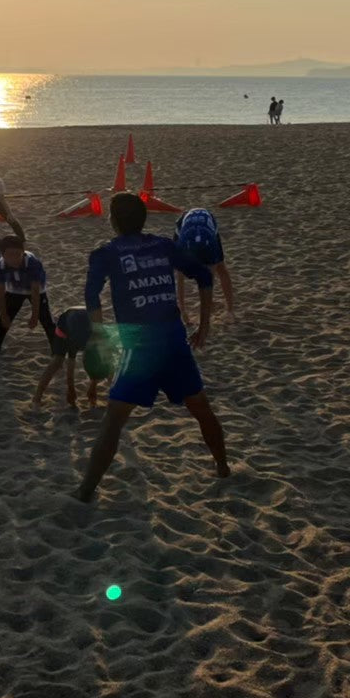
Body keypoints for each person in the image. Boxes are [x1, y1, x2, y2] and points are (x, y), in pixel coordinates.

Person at [74, 192, 231, 502]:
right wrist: (204, 326)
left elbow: (92, 296)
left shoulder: (105, 253)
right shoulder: (163, 245)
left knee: (113, 420)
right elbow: (204, 276)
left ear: (113, 221)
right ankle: (224, 468)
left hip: (140, 343)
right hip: (174, 339)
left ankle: (84, 491)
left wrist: (100, 334)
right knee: (201, 408)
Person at [32, 305, 117, 408]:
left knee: (103, 363)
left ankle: (111, 395)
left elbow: (103, 363)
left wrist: (93, 386)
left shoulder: (103, 337)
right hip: (65, 325)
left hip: (84, 316)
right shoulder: (77, 339)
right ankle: (37, 398)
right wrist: (71, 389)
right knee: (57, 361)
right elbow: (71, 364)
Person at [0, 236, 56, 361]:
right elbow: (0, 292)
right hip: (14, 290)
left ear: (23, 253)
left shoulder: (33, 263)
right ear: (3, 255)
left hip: (36, 290)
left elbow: (35, 292)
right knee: (2, 324)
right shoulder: (0, 266)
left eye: (17, 254)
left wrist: (34, 316)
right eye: (10, 255)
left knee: (48, 323)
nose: (14, 259)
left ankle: (58, 354)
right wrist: (4, 315)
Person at [173, 208, 236, 321]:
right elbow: (180, 278)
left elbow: (208, 282)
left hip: (207, 223)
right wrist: (183, 311)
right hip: (184, 224)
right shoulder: (182, 247)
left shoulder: (210, 246)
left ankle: (230, 310)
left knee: (221, 268)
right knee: (180, 272)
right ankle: (182, 310)